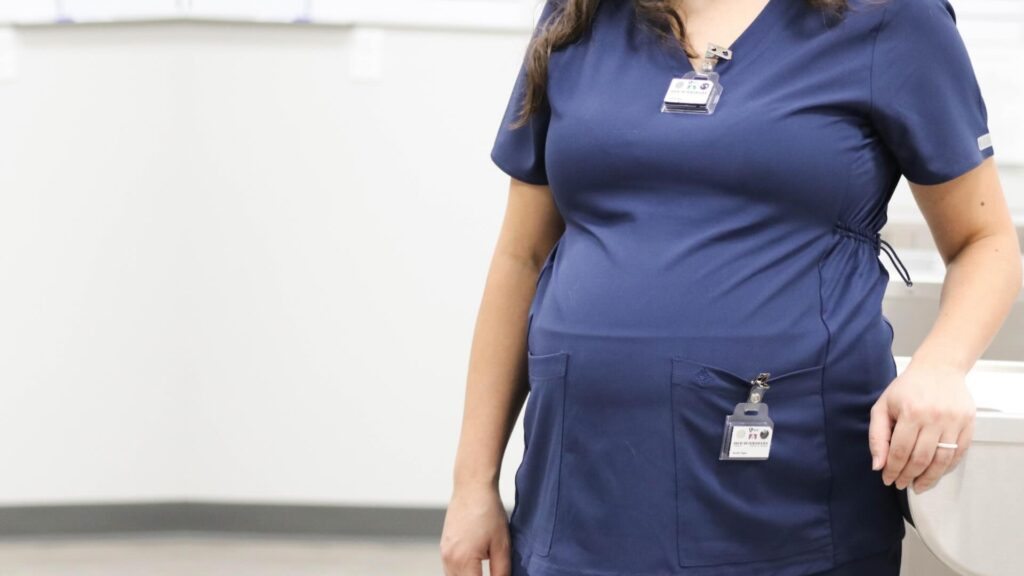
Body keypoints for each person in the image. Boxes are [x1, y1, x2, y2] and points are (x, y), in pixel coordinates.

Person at [441, 0, 1022, 575]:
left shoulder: (891, 17)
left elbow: (985, 241)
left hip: (785, 489)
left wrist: (941, 367)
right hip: (583, 487)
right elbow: (524, 255)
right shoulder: (580, 15)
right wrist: (473, 484)